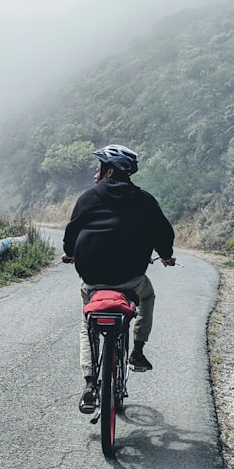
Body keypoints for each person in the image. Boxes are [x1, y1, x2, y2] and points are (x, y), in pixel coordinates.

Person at [61, 144, 175, 413]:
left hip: (92, 279)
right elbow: (163, 233)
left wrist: (69, 254)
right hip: (130, 279)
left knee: (85, 321)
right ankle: (137, 349)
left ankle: (90, 384)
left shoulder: (87, 198)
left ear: (109, 170)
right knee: (147, 295)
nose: (95, 171)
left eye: (98, 166)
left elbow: (71, 233)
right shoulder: (145, 200)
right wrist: (166, 256)